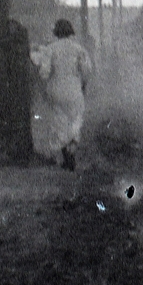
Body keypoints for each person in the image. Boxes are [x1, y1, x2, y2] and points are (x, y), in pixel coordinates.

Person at [35, 18, 94, 171]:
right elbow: (87, 71)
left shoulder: (50, 49)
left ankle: (67, 159)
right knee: (74, 122)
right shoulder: (79, 49)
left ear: (56, 33)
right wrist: (83, 84)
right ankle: (71, 153)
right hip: (74, 90)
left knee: (60, 123)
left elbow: (44, 72)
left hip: (56, 89)